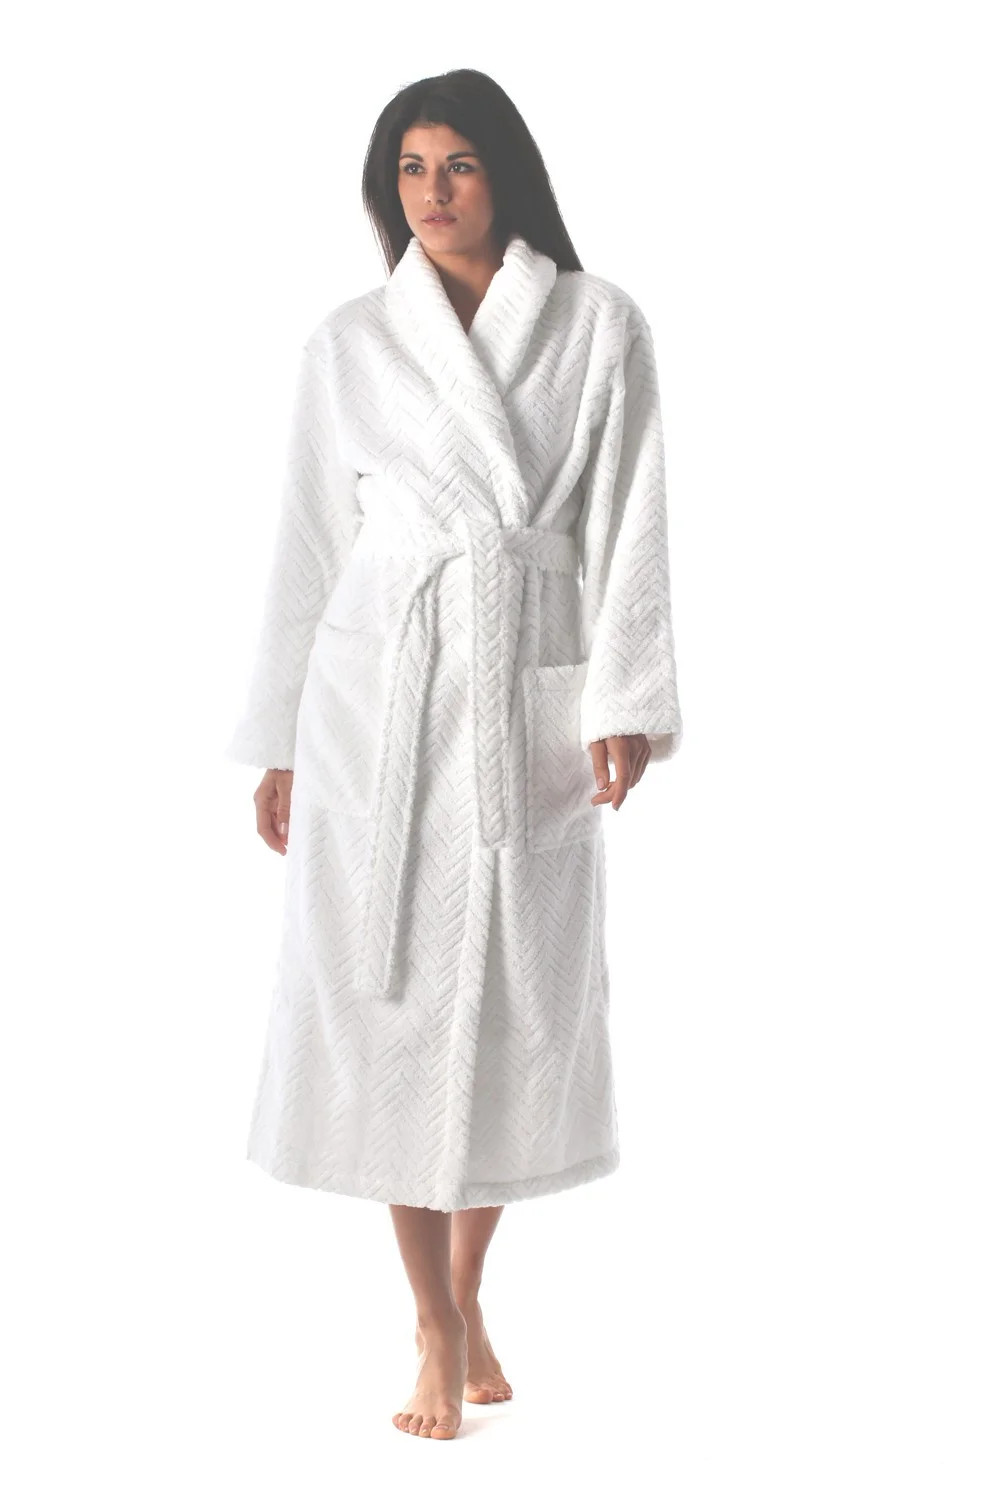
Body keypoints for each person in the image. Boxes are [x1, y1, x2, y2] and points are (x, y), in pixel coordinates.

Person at [226, 67, 683, 1440]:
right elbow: (308, 543)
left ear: (507, 175)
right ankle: (431, 1320)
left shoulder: (598, 324)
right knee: (388, 1002)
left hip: (523, 683)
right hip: (376, 694)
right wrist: (279, 739)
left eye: (459, 164)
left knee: (518, 1010)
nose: (433, 190)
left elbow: (632, 516)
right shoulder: (350, 342)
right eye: (411, 168)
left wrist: (624, 696)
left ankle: (472, 1288)